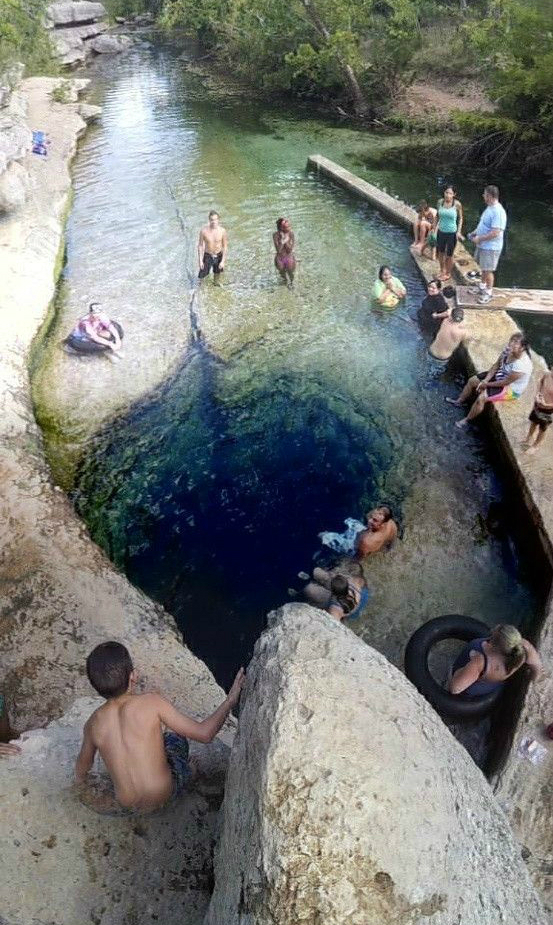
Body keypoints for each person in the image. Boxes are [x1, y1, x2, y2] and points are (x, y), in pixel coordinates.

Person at [75, 641, 245, 811]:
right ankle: (191, 773)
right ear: (133, 676)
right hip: (164, 795)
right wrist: (230, 700)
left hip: (126, 808)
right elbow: (205, 734)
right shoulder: (152, 702)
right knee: (174, 738)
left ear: (97, 688)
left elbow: (82, 769)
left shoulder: (93, 723)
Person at [445, 332, 533, 429]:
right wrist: (485, 380)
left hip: (510, 389)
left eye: (515, 342)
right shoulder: (508, 350)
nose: (511, 343)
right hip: (501, 375)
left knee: (481, 399)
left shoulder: (522, 365)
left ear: (523, 348)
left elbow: (506, 382)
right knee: (472, 381)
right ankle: (459, 401)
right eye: (511, 340)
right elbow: (496, 365)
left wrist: (486, 385)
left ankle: (466, 420)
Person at [449, 624, 542, 698]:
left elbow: (455, 689)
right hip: (492, 684)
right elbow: (536, 665)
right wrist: (534, 678)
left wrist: (469, 664)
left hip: (471, 688)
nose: (491, 631)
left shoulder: (480, 662)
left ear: (494, 645)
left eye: (491, 636)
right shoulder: (522, 648)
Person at [467, 185, 507, 304]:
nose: (483, 196)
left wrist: (480, 238)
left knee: (488, 270)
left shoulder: (498, 212)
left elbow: (496, 232)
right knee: (483, 268)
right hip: (483, 245)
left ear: (489, 196)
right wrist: (475, 233)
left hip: (491, 248)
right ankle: (482, 286)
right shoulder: (489, 208)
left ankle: (488, 293)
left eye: (484, 194)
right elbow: (483, 224)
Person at [433, 185, 464, 282]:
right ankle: (442, 270)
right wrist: (434, 229)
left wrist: (458, 231)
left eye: (450, 193)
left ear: (454, 194)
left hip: (452, 233)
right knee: (440, 252)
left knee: (449, 255)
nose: (447, 195)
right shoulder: (440, 202)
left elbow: (461, 218)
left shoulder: (457, 204)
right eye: (446, 192)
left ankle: (448, 273)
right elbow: (437, 216)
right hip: (441, 231)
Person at [522, 365, 553, 454]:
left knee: (542, 428)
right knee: (534, 421)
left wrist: (546, 404)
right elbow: (540, 383)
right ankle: (529, 437)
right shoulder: (547, 375)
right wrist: (537, 394)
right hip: (538, 404)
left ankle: (536, 445)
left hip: (548, 410)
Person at [198, 210, 228, 279]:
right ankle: (201, 289)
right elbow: (200, 246)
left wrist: (223, 261)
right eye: (212, 220)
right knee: (201, 277)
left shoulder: (222, 231)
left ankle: (216, 286)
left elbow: (225, 246)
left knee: (217, 275)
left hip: (218, 256)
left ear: (218, 220)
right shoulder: (203, 231)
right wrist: (200, 261)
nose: (213, 222)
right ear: (209, 220)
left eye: (215, 219)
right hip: (208, 256)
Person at [273, 217, 296, 287]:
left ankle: (292, 283)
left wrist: (286, 241)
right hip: (279, 259)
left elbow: (290, 250)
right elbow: (279, 250)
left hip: (289, 258)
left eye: (289, 226)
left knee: (291, 273)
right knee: (282, 274)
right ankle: (285, 283)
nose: (289, 228)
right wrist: (283, 241)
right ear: (282, 228)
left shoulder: (291, 234)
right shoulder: (275, 235)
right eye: (287, 227)